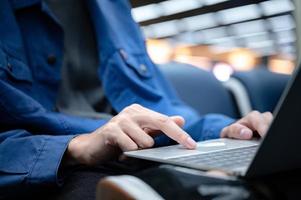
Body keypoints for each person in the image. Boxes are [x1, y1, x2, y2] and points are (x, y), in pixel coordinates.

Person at [0, 0, 272, 199]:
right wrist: (76, 148)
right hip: (60, 168)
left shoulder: (114, 9)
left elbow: (167, 112)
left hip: (146, 153)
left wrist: (229, 130)